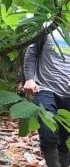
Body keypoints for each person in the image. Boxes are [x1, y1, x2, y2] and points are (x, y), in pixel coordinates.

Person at [23, 26, 70, 167]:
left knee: (67, 137)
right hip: (45, 88)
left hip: (68, 93)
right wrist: (29, 78)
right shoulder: (48, 28)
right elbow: (31, 54)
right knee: (47, 132)